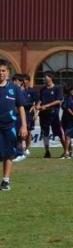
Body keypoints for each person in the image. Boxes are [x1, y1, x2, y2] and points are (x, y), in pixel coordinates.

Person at [0, 62, 28, 190]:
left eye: (3, 70)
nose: (1, 73)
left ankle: (6, 181)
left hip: (9, 126)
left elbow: (21, 108)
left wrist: (24, 126)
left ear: (7, 73)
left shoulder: (14, 88)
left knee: (9, 154)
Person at [35, 74, 66, 158]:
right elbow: (40, 100)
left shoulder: (57, 88)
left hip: (53, 115)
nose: (44, 78)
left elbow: (58, 100)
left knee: (59, 133)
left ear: (51, 78)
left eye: (46, 77)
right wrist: (38, 107)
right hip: (43, 115)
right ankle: (47, 151)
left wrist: (46, 106)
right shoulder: (43, 89)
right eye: (44, 77)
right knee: (45, 133)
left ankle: (66, 151)